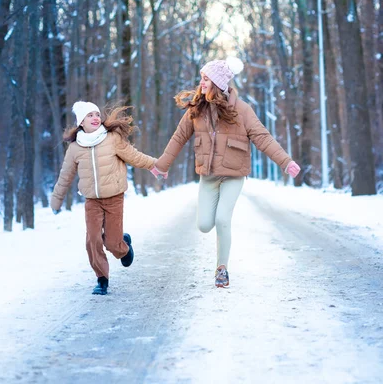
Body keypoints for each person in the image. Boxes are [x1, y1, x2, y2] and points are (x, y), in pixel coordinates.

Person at [152, 57, 301, 289]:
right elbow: (179, 137)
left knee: (223, 219)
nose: (201, 83)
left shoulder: (241, 110)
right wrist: (162, 165)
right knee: (203, 224)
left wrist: (285, 161)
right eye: (201, 78)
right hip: (208, 176)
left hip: (233, 175)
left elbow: (263, 138)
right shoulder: (196, 110)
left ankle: (222, 269)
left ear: (218, 83)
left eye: (206, 79)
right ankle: (220, 262)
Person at [51, 101, 162, 295]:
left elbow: (134, 156)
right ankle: (101, 279)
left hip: (114, 199)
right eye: (89, 115)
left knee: (112, 243)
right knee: (92, 240)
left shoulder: (112, 139)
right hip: (92, 201)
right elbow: (65, 175)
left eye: (96, 114)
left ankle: (124, 247)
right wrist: (56, 199)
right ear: (81, 123)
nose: (95, 118)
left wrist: (155, 165)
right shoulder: (75, 148)